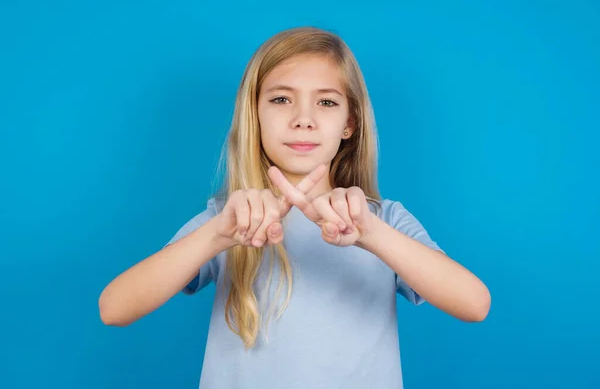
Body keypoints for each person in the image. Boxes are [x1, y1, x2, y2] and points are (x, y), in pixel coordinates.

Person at [99, 26, 491, 388]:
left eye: (326, 102)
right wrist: (216, 235)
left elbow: (475, 304)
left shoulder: (383, 219)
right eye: (281, 98)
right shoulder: (231, 218)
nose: (303, 119)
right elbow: (113, 308)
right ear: (255, 113)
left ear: (349, 123)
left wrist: (372, 234)